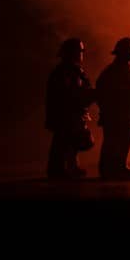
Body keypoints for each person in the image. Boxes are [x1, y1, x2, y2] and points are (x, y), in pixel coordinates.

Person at [95, 37, 130, 178]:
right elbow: (101, 93)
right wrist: (107, 110)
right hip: (113, 115)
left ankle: (119, 166)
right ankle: (107, 168)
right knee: (112, 142)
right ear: (122, 52)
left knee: (124, 140)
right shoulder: (110, 73)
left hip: (126, 114)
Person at [45, 38, 95, 179]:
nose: (81, 54)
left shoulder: (76, 71)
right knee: (63, 141)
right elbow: (67, 95)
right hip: (66, 115)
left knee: (72, 141)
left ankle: (71, 166)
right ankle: (57, 170)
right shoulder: (63, 73)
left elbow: (83, 90)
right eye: (79, 51)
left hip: (74, 114)